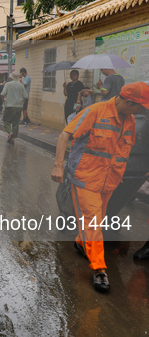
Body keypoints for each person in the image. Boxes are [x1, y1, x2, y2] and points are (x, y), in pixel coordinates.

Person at [51, 81, 149, 293]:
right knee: (94, 224)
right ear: (128, 101)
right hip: (86, 178)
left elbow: (123, 149)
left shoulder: (130, 120)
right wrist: (59, 166)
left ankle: (80, 242)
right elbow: (65, 135)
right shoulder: (94, 111)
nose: (142, 112)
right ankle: (99, 269)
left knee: (96, 220)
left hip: (109, 181)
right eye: (141, 107)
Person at [1, 72, 27, 144]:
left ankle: (10, 132)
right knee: (16, 123)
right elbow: (25, 96)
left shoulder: (8, 84)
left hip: (9, 106)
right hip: (18, 106)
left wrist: (4, 102)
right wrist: (22, 104)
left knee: (6, 121)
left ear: (11, 78)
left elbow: (2, 94)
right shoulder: (21, 85)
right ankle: (13, 139)